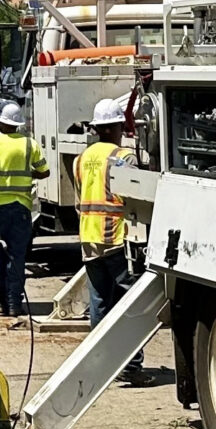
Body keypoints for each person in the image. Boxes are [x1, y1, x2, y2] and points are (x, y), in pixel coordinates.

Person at [75, 96, 136, 327]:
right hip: (114, 239)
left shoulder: (81, 159)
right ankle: (130, 363)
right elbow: (132, 201)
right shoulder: (123, 158)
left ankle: (99, 359)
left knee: (98, 300)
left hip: (89, 239)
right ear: (116, 128)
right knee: (128, 301)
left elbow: (79, 202)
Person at [0, 101, 38, 316]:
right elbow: (44, 171)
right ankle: (14, 304)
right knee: (17, 257)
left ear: (1, 123)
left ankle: (2, 302)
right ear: (18, 125)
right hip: (21, 208)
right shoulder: (30, 145)